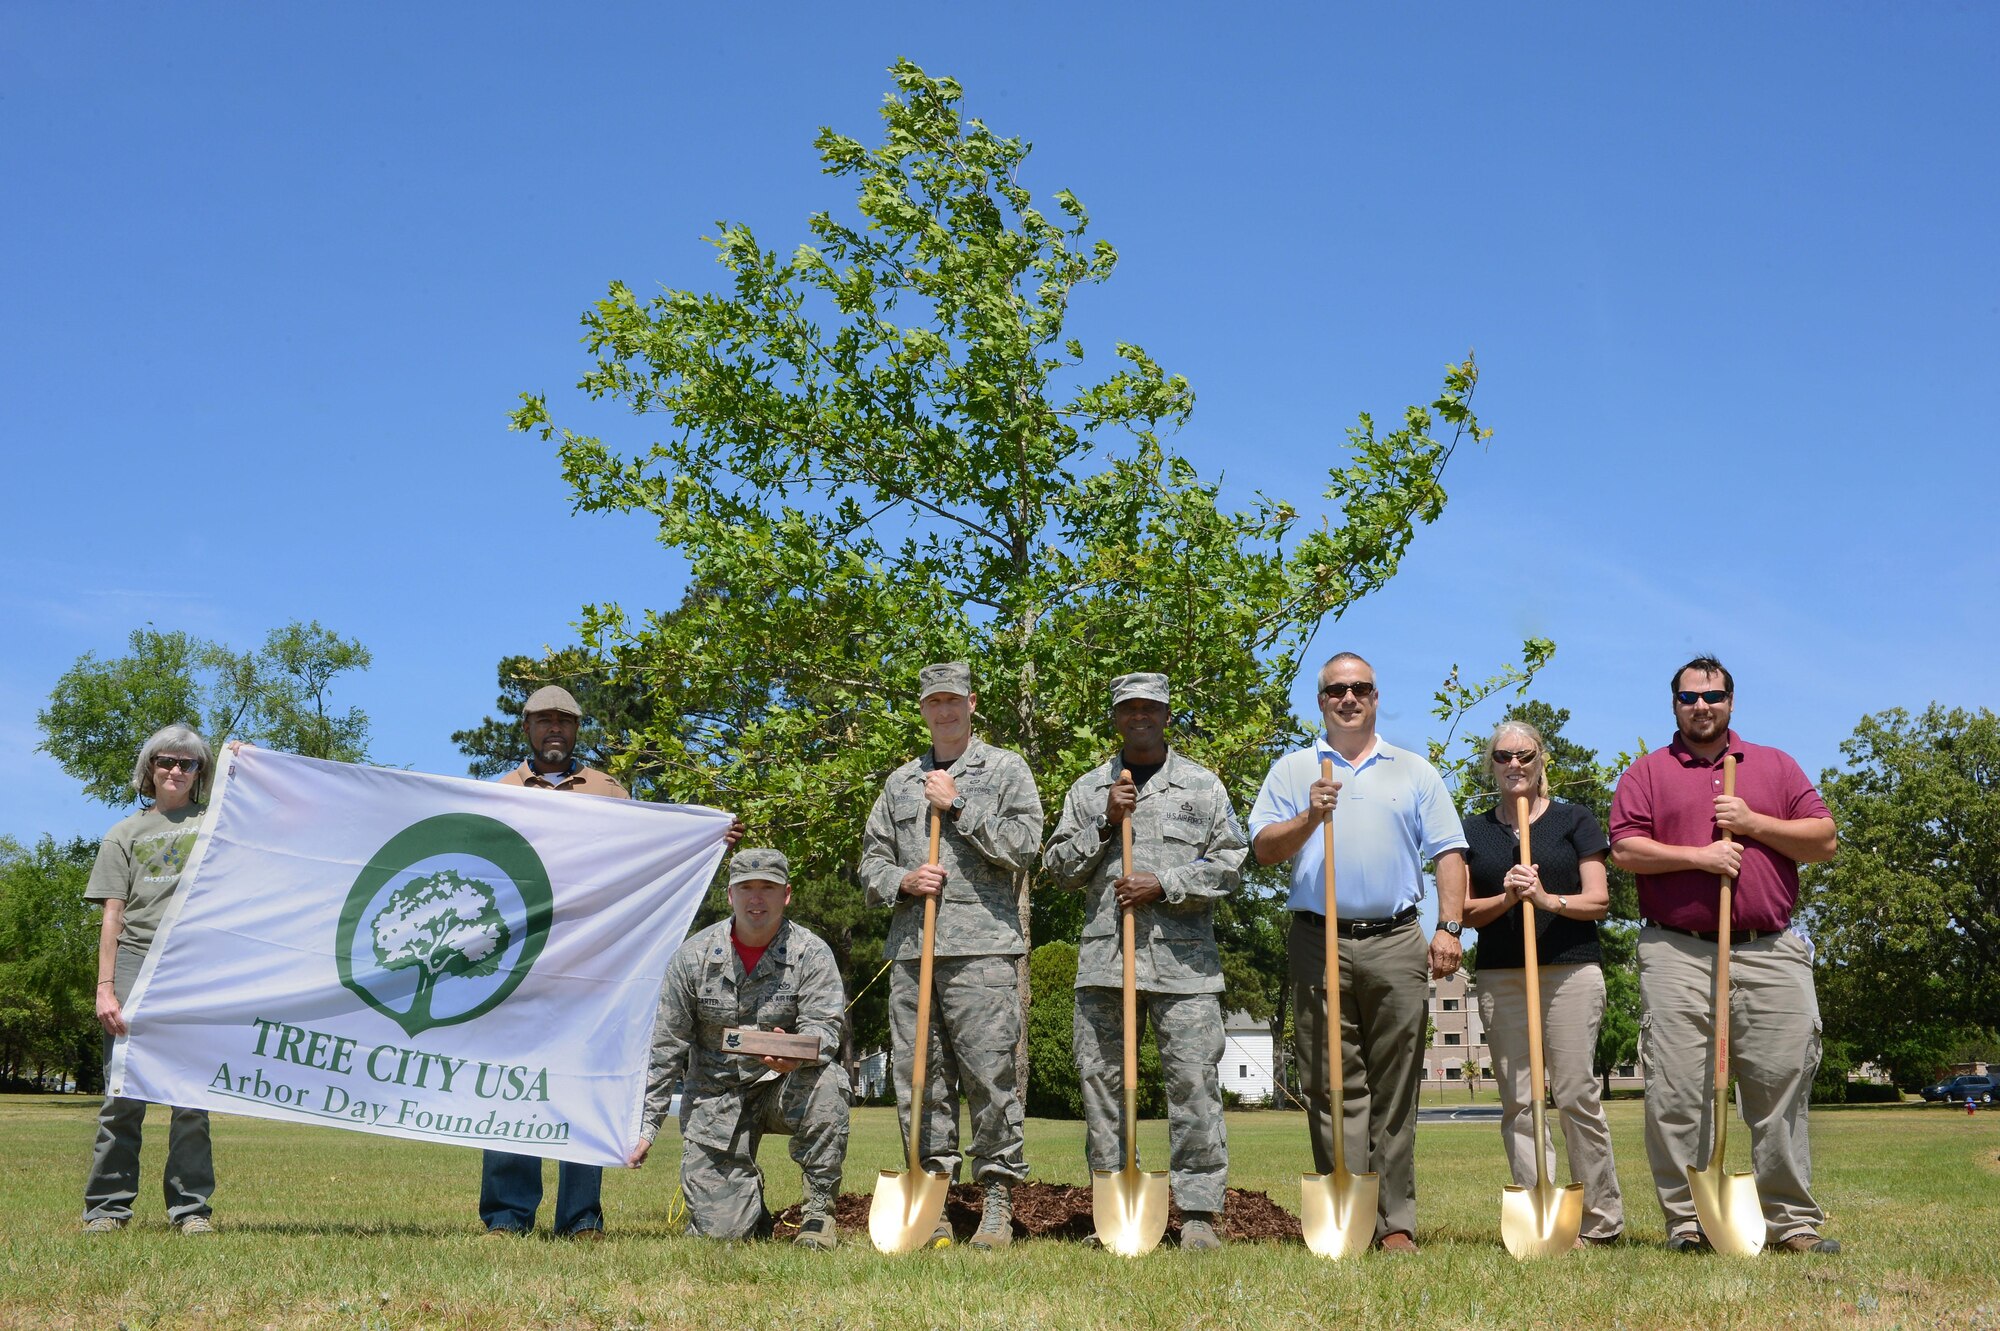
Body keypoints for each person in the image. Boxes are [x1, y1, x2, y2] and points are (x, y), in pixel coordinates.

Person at [481, 683, 744, 1239]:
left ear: (577, 730)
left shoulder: (609, 791)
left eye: (565, 720)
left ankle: (580, 1218)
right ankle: (507, 1215)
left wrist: (708, 837)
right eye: (543, 719)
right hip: (520, 966)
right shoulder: (499, 793)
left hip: (594, 967)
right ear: (525, 727)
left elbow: (651, 852)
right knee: (510, 1083)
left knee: (584, 1083)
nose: (555, 728)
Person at [1609, 656, 1840, 1255]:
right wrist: (1700, 857)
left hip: (1769, 951)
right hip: (1678, 950)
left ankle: (1791, 1222)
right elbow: (1627, 850)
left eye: (1712, 696)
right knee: (1678, 1090)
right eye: (1689, 698)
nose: (1701, 707)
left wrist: (1753, 822)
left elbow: (1824, 840)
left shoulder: (1774, 765)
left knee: (1780, 1085)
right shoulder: (1648, 773)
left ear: (1731, 701)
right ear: (1674, 705)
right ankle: (1688, 1222)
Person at [1248, 652, 1467, 1253]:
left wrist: (1448, 926)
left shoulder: (1414, 771)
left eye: (1361, 688)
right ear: (1320, 701)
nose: (1349, 698)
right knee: (1330, 1083)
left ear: (1376, 696)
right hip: (1318, 938)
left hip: (1397, 939)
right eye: (1336, 690)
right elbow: (1264, 849)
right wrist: (1310, 816)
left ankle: (1394, 1223)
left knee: (1395, 1087)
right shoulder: (1294, 769)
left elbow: (1450, 852)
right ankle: (1346, 1211)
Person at [1044, 672, 1245, 1251]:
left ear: (1164, 713)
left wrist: (1166, 882)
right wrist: (1106, 822)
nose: (1139, 717)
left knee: (1193, 1084)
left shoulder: (1202, 787)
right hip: (1107, 962)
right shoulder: (1089, 789)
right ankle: (1116, 1202)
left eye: (1149, 708)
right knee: (1103, 1084)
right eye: (1128, 708)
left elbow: (1232, 864)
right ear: (1115, 717)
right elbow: (1057, 868)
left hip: (1185, 969)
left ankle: (1200, 1215)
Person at [859, 662, 1043, 1250]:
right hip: (916, 953)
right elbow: (869, 864)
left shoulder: (1006, 769)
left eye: (954, 701)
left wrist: (959, 804)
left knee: (991, 1074)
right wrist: (904, 880)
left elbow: (1025, 847)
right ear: (923, 708)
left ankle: (996, 1199)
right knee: (920, 1080)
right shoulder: (899, 783)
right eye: (934, 701)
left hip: (983, 950)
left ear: (971, 704)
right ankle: (931, 1195)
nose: (944, 711)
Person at [628, 848, 849, 1247]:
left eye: (768, 887)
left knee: (828, 1082)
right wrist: (645, 1126)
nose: (756, 898)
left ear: (787, 895)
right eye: (746, 888)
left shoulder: (810, 953)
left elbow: (827, 1028)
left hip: (783, 1085)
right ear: (730, 896)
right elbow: (665, 1048)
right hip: (716, 1097)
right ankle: (749, 1204)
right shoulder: (692, 957)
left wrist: (798, 1052)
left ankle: (818, 1215)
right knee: (722, 1234)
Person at [1460, 719, 1624, 1245]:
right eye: (1504, 756)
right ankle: (1540, 1212)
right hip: (1503, 976)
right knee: (1520, 1100)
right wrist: (1509, 896)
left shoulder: (1575, 820)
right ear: (1492, 763)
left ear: (1542, 761)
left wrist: (1547, 899)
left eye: (1525, 756)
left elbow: (1598, 900)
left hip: (1570, 970)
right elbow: (1464, 912)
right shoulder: (1473, 830)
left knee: (1576, 1093)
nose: (1515, 766)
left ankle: (1601, 1220)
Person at [82, 724, 219, 1234]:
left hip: (196, 967)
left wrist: (244, 762)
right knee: (123, 1096)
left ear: (201, 773)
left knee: (190, 1100)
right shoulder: (124, 834)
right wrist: (105, 986)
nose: (176, 771)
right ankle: (107, 1209)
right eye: (167, 761)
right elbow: (113, 915)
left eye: (188, 764)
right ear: (150, 768)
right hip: (136, 960)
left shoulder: (217, 822)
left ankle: (191, 1211)